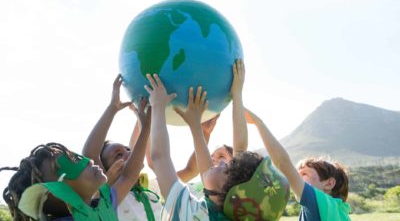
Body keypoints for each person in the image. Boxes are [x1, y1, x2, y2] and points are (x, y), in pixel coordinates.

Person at [146, 59, 289, 221]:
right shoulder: (217, 212)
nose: (221, 163)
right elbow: (219, 167)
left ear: (228, 197)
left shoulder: (189, 213)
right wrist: (196, 128)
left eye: (226, 169)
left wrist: (157, 106)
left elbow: (160, 157)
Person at [1, 76, 151, 221]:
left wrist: (143, 123)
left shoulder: (103, 207)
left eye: (76, 157)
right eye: (72, 162)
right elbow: (94, 154)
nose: (87, 161)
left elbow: (129, 176)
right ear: (57, 193)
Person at [244, 108, 351, 221]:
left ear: (329, 184)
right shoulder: (340, 213)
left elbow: (282, 162)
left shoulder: (318, 202)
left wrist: (258, 123)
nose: (295, 178)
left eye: (304, 173)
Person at [82, 75, 163, 221]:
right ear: (103, 171)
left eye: (128, 149)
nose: (128, 153)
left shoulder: (151, 194)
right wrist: (112, 108)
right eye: (118, 155)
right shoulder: (108, 196)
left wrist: (145, 126)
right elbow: (90, 154)